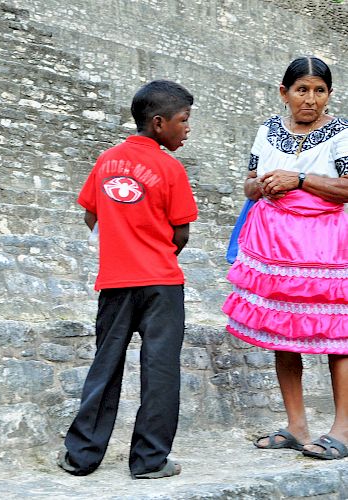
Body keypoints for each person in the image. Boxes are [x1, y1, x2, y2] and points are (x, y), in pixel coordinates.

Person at [57, 80, 198, 479]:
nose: (187, 128)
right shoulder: (170, 167)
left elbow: (90, 214)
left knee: (106, 366)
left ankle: (81, 456)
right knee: (161, 371)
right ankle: (150, 461)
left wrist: (121, 242)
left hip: (116, 282)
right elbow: (181, 232)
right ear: (158, 123)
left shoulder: (106, 161)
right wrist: (154, 249)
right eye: (183, 121)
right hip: (162, 284)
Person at [223, 56, 348, 460]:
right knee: (282, 330)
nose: (310, 99)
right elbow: (247, 184)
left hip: (328, 245)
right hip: (277, 245)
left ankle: (343, 429)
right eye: (301, 90)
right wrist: (259, 185)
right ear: (284, 92)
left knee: (338, 335)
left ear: (329, 94)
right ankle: (296, 425)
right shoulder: (268, 131)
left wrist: (299, 179)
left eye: (319, 90)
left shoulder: (342, 133)